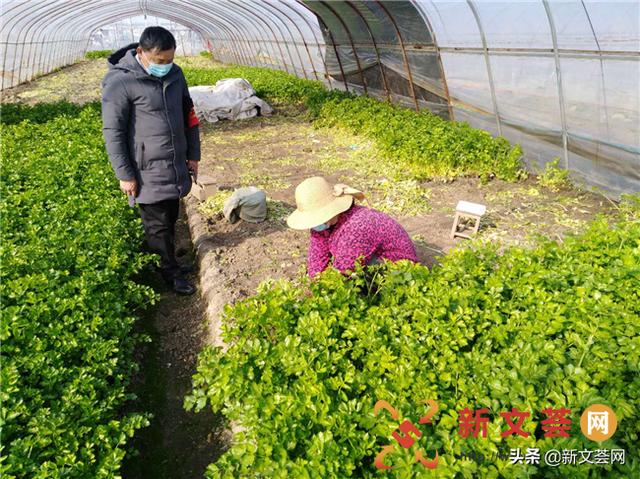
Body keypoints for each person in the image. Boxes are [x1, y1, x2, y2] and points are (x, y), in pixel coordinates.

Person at [101, 26, 201, 295]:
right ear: (141, 53)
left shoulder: (176, 74)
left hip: (175, 163)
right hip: (146, 169)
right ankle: (169, 274)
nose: (165, 66)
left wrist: (193, 155)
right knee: (156, 226)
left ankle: (172, 262)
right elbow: (113, 131)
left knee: (170, 216)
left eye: (170, 60)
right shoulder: (120, 82)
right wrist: (125, 174)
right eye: (159, 62)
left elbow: (189, 116)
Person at [286, 176, 418, 278]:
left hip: (400, 269)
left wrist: (326, 290)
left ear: (331, 210)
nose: (315, 223)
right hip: (362, 256)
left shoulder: (356, 227)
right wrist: (315, 281)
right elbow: (317, 254)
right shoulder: (324, 223)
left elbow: (345, 270)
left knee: (351, 279)